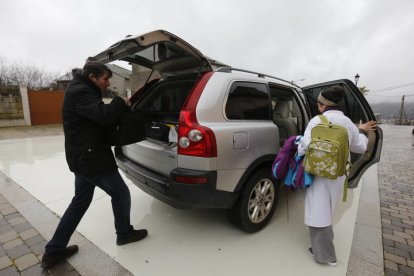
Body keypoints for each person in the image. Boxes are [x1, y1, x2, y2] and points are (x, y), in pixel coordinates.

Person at [41, 62, 148, 269]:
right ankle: (124, 233)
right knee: (121, 194)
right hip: (91, 159)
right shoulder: (81, 92)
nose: (107, 82)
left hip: (84, 157)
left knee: (80, 201)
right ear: (92, 77)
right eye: (105, 79)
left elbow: (95, 118)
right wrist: (120, 102)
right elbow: (104, 116)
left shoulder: (83, 89)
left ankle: (53, 251)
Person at [297, 85, 377, 267]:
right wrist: (362, 130)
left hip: (317, 172)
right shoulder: (347, 123)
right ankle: (323, 247)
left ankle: (325, 256)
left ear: (321, 104)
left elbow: (304, 146)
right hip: (338, 174)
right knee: (328, 209)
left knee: (317, 211)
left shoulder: (316, 120)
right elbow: (360, 147)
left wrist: (296, 147)